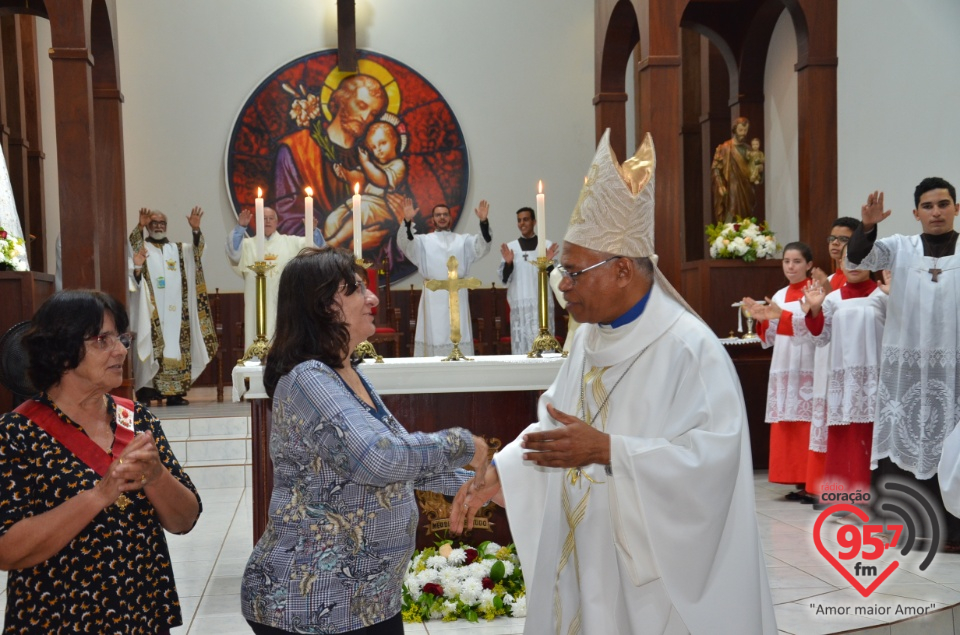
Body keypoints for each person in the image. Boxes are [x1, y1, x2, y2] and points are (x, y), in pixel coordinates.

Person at [451, 131, 776, 634]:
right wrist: (505, 469)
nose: (562, 284)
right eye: (562, 270)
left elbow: (713, 464)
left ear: (623, 269)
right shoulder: (587, 339)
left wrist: (609, 451)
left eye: (574, 272)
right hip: (586, 553)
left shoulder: (689, 348)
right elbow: (556, 424)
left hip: (654, 583)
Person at [240, 247, 489, 634]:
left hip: (365, 600)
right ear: (325, 306)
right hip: (310, 603)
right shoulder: (308, 379)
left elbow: (406, 466)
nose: (372, 298)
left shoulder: (347, 374)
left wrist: (485, 486)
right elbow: (378, 458)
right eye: (357, 289)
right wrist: (463, 443)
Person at [0, 290, 202, 633]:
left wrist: (157, 478)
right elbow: (7, 550)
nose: (121, 350)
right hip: (58, 618)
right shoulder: (18, 433)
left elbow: (185, 519)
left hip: (141, 615)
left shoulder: (137, 421)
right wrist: (98, 496)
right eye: (101, 339)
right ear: (61, 353)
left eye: (120, 338)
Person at [847, 178, 960, 549]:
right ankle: (909, 526)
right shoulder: (900, 247)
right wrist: (867, 228)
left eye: (944, 204)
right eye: (928, 206)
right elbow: (858, 258)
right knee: (906, 441)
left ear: (956, 209)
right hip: (907, 369)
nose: (936, 212)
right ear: (916, 213)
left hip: (954, 367)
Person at [795, 250, 887, 502]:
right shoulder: (832, 299)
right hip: (842, 382)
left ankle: (876, 501)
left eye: (862, 258)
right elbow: (820, 337)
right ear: (839, 263)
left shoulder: (883, 295)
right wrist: (814, 311)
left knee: (872, 441)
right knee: (843, 442)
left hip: (874, 381)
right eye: (849, 259)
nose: (855, 264)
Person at [744, 243, 819, 503]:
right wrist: (761, 317)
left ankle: (813, 481)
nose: (790, 266)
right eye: (786, 261)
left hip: (809, 363)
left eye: (797, 261)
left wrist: (781, 316)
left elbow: (815, 328)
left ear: (809, 264)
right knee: (788, 423)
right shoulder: (779, 294)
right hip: (785, 365)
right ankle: (799, 480)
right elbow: (772, 338)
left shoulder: (815, 292)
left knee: (809, 424)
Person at [273, 74, 388, 236]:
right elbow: (287, 221)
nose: (365, 118)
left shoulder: (373, 159)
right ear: (341, 100)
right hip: (315, 256)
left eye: (373, 114)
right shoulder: (297, 149)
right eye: (361, 105)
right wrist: (346, 242)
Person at [130, 207, 218, 405]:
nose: (159, 226)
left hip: (177, 313)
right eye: (154, 223)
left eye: (162, 223)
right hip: (152, 313)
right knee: (150, 349)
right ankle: (146, 392)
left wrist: (196, 231)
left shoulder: (178, 250)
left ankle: (175, 394)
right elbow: (133, 256)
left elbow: (197, 253)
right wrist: (139, 227)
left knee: (176, 348)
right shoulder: (143, 248)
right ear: (148, 225)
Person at [398, 198, 493, 356]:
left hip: (457, 294)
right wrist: (407, 221)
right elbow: (406, 244)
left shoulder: (463, 241)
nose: (442, 217)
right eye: (438, 215)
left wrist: (483, 222)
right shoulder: (423, 241)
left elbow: (482, 246)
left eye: (445, 215)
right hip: (434, 296)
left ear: (450, 218)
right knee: (435, 333)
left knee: (459, 331)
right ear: (433, 219)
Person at [226, 206, 326, 349]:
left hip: (284, 302)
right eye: (263, 218)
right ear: (256, 222)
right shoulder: (248, 245)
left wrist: (312, 231)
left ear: (277, 222)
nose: (267, 221)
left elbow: (316, 249)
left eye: (271, 218)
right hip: (257, 304)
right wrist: (241, 227)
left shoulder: (291, 242)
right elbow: (233, 252)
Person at [325, 119, 410, 256]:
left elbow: (382, 180)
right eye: (374, 147)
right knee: (335, 217)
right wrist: (346, 174)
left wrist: (366, 162)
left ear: (395, 141)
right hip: (366, 202)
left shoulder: (398, 165)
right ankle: (333, 254)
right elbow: (360, 177)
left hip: (383, 208)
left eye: (382, 143)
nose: (378, 150)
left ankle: (335, 240)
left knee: (362, 209)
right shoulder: (372, 166)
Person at [498, 207, 558, 354]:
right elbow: (505, 279)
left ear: (534, 222)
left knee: (544, 349)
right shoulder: (511, 248)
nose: (522, 223)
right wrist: (509, 264)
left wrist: (549, 263)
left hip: (541, 305)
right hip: (520, 305)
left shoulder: (545, 246)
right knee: (523, 351)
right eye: (519, 220)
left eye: (525, 219)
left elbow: (556, 278)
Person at [711, 117, 757, 224]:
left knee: (746, 220)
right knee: (731, 216)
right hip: (731, 188)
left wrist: (759, 172)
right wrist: (720, 185)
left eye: (745, 130)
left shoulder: (749, 149)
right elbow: (716, 168)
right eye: (740, 130)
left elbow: (754, 170)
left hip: (746, 190)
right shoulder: (725, 148)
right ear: (734, 130)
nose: (743, 133)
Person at [811, 216, 860, 294]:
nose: (834, 242)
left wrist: (825, 285)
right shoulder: (829, 278)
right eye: (832, 238)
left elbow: (845, 305)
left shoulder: (857, 276)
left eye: (843, 239)